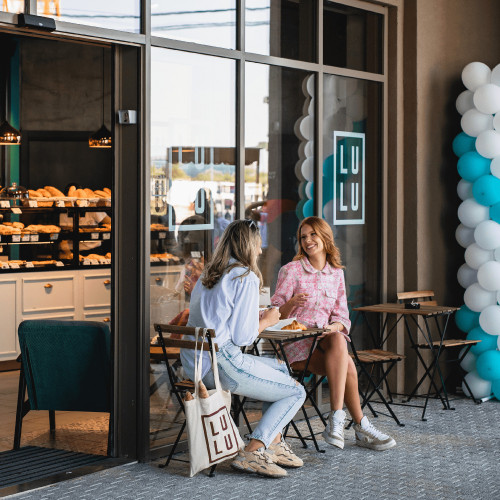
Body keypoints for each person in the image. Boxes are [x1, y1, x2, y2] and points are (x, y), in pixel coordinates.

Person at [180, 219, 306, 478]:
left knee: (280, 367)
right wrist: (268, 320)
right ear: (248, 246)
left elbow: (219, 318)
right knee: (296, 392)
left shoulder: (207, 275)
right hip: (224, 363)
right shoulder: (244, 276)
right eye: (258, 245)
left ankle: (273, 442)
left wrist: (254, 316)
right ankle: (255, 449)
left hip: (197, 366)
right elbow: (243, 337)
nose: (260, 251)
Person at [271, 216, 396, 452]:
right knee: (347, 363)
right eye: (303, 237)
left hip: (326, 342)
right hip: (296, 346)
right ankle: (357, 424)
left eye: (313, 235)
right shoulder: (292, 271)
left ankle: (338, 419)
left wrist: (334, 327)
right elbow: (274, 313)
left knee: (338, 337)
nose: (308, 240)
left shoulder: (336, 273)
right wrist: (292, 303)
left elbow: (342, 316)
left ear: (325, 236)